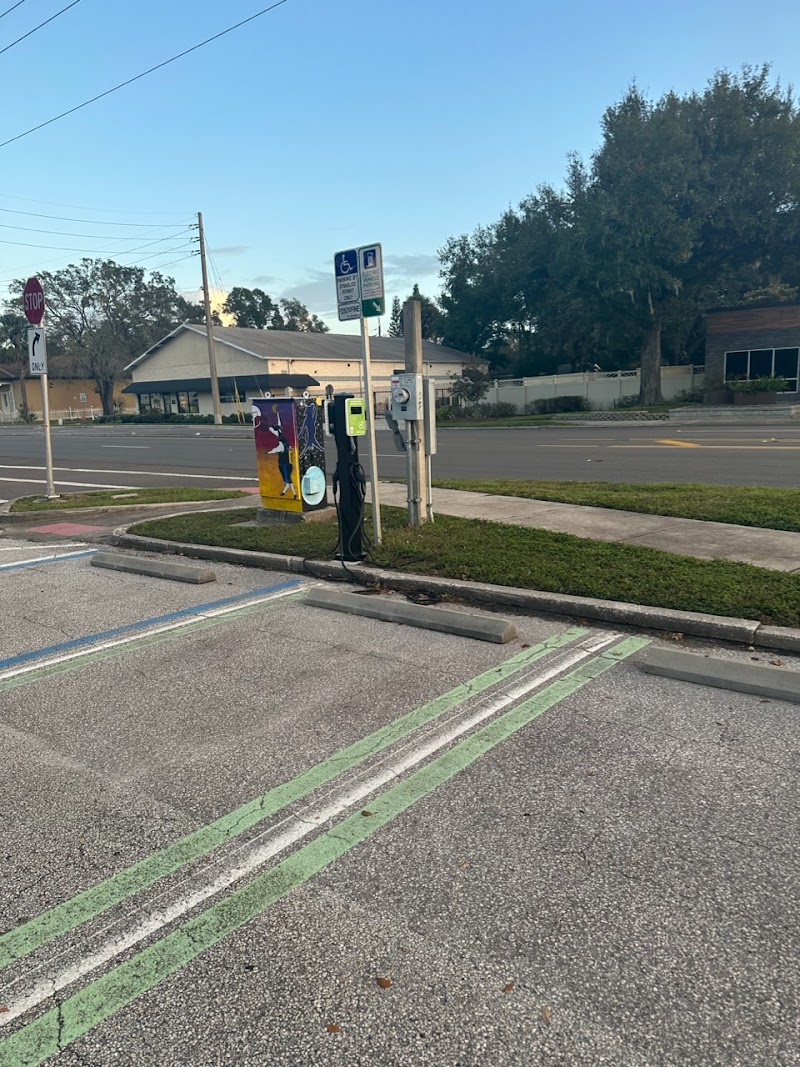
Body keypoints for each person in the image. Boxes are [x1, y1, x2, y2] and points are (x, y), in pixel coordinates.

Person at [267, 419, 296, 497]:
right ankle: (289, 493)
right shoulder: (285, 440)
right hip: (288, 463)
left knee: (287, 480)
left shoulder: (281, 444)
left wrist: (269, 452)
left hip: (283, 464)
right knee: (288, 480)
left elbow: (276, 449)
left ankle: (293, 493)